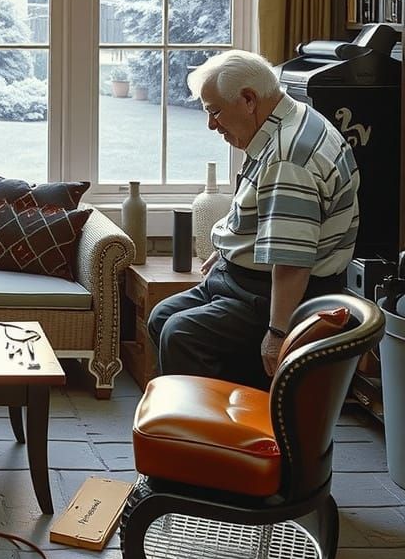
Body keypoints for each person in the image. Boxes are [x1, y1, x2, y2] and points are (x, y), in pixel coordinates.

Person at [147, 49, 359, 388]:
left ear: (248, 99)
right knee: (162, 317)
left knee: (180, 334)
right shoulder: (290, 118)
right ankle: (205, 415)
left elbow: (293, 262)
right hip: (244, 279)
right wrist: (235, 244)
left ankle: (208, 434)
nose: (211, 124)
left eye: (214, 111)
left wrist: (277, 334)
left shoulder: (287, 159)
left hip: (273, 294)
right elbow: (276, 215)